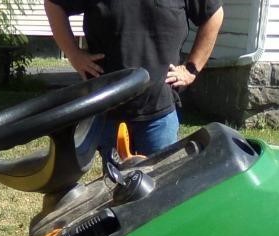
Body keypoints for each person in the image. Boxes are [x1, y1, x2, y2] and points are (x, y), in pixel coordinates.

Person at [45, 0, 224, 164]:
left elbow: (214, 15)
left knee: (160, 187)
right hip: (108, 109)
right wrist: (74, 54)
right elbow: (54, 5)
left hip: (159, 112)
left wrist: (191, 68)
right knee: (115, 188)